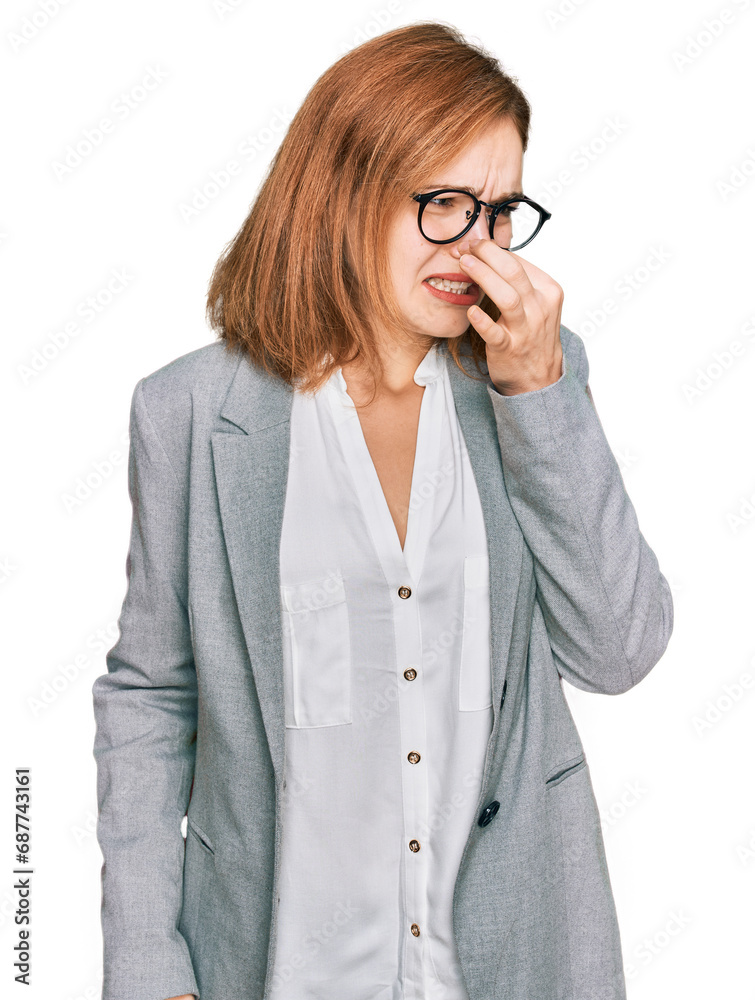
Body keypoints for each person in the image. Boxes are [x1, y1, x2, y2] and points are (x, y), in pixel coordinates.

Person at [91, 21, 674, 1000]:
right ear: (345, 188)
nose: (476, 245)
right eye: (443, 203)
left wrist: (537, 390)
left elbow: (617, 651)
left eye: (498, 211)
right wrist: (148, 961)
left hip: (510, 963)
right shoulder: (188, 412)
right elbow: (151, 697)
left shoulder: (531, 385)